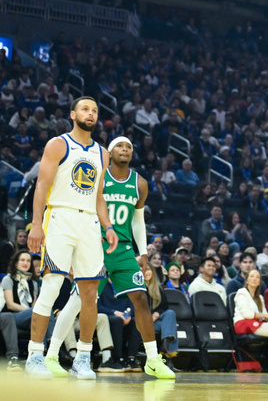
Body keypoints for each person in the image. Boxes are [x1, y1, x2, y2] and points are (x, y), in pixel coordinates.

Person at [45, 137, 175, 379]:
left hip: (124, 250)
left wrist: (143, 251)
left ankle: (153, 360)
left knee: (141, 299)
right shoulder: (97, 177)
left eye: (129, 146)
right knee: (78, 303)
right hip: (96, 245)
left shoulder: (140, 183)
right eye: (120, 146)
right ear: (109, 152)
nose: (125, 149)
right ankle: (52, 354)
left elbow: (138, 220)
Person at [24, 96, 118, 378]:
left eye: (95, 111)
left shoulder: (103, 153)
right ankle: (34, 356)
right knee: (52, 287)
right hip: (60, 216)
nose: (91, 114)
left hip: (89, 221)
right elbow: (41, 184)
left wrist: (109, 226)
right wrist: (36, 224)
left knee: (90, 294)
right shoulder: (58, 144)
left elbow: (99, 195)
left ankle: (83, 358)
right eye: (85, 109)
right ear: (73, 114)